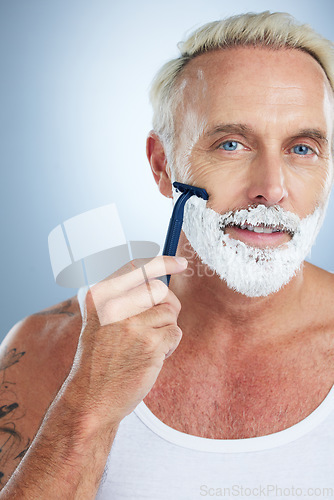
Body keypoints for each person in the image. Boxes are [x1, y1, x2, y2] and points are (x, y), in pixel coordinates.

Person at [0, 10, 334, 499]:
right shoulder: (49, 349)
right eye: (232, 144)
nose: (271, 189)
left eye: (302, 149)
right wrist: (88, 404)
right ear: (163, 166)